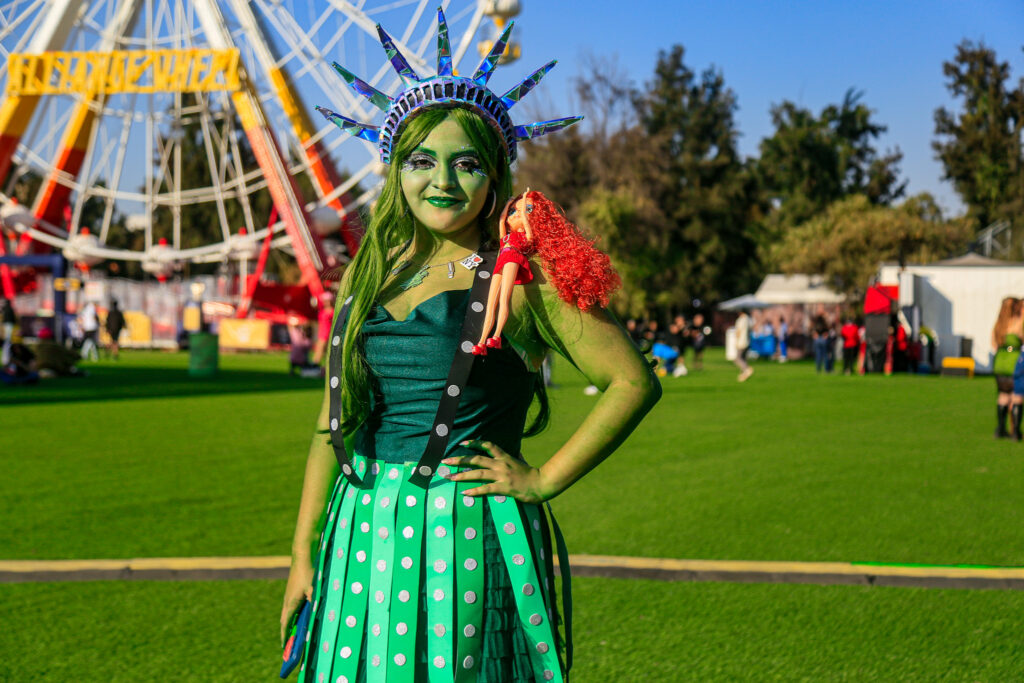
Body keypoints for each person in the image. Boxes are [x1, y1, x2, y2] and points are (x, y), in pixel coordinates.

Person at [283, 12, 661, 683]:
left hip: (463, 528)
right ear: (395, 168)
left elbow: (633, 381)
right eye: (422, 161)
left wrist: (541, 480)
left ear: (495, 176)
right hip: (356, 530)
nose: (443, 182)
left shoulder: (521, 274)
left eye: (467, 164)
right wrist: (301, 555)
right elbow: (329, 424)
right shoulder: (367, 272)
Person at [991, 297, 1023, 439]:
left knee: (1003, 395)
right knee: (1016, 396)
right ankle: (1015, 431)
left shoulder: (999, 325)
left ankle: (1000, 428)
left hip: (1000, 362)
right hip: (1014, 361)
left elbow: (993, 344)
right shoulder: (1018, 323)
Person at [734, 309, 753, 382]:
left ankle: (746, 369)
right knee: (743, 358)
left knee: (737, 358)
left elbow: (738, 331)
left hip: (741, 341)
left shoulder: (740, 320)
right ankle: (743, 376)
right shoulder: (748, 319)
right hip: (747, 341)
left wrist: (736, 341)